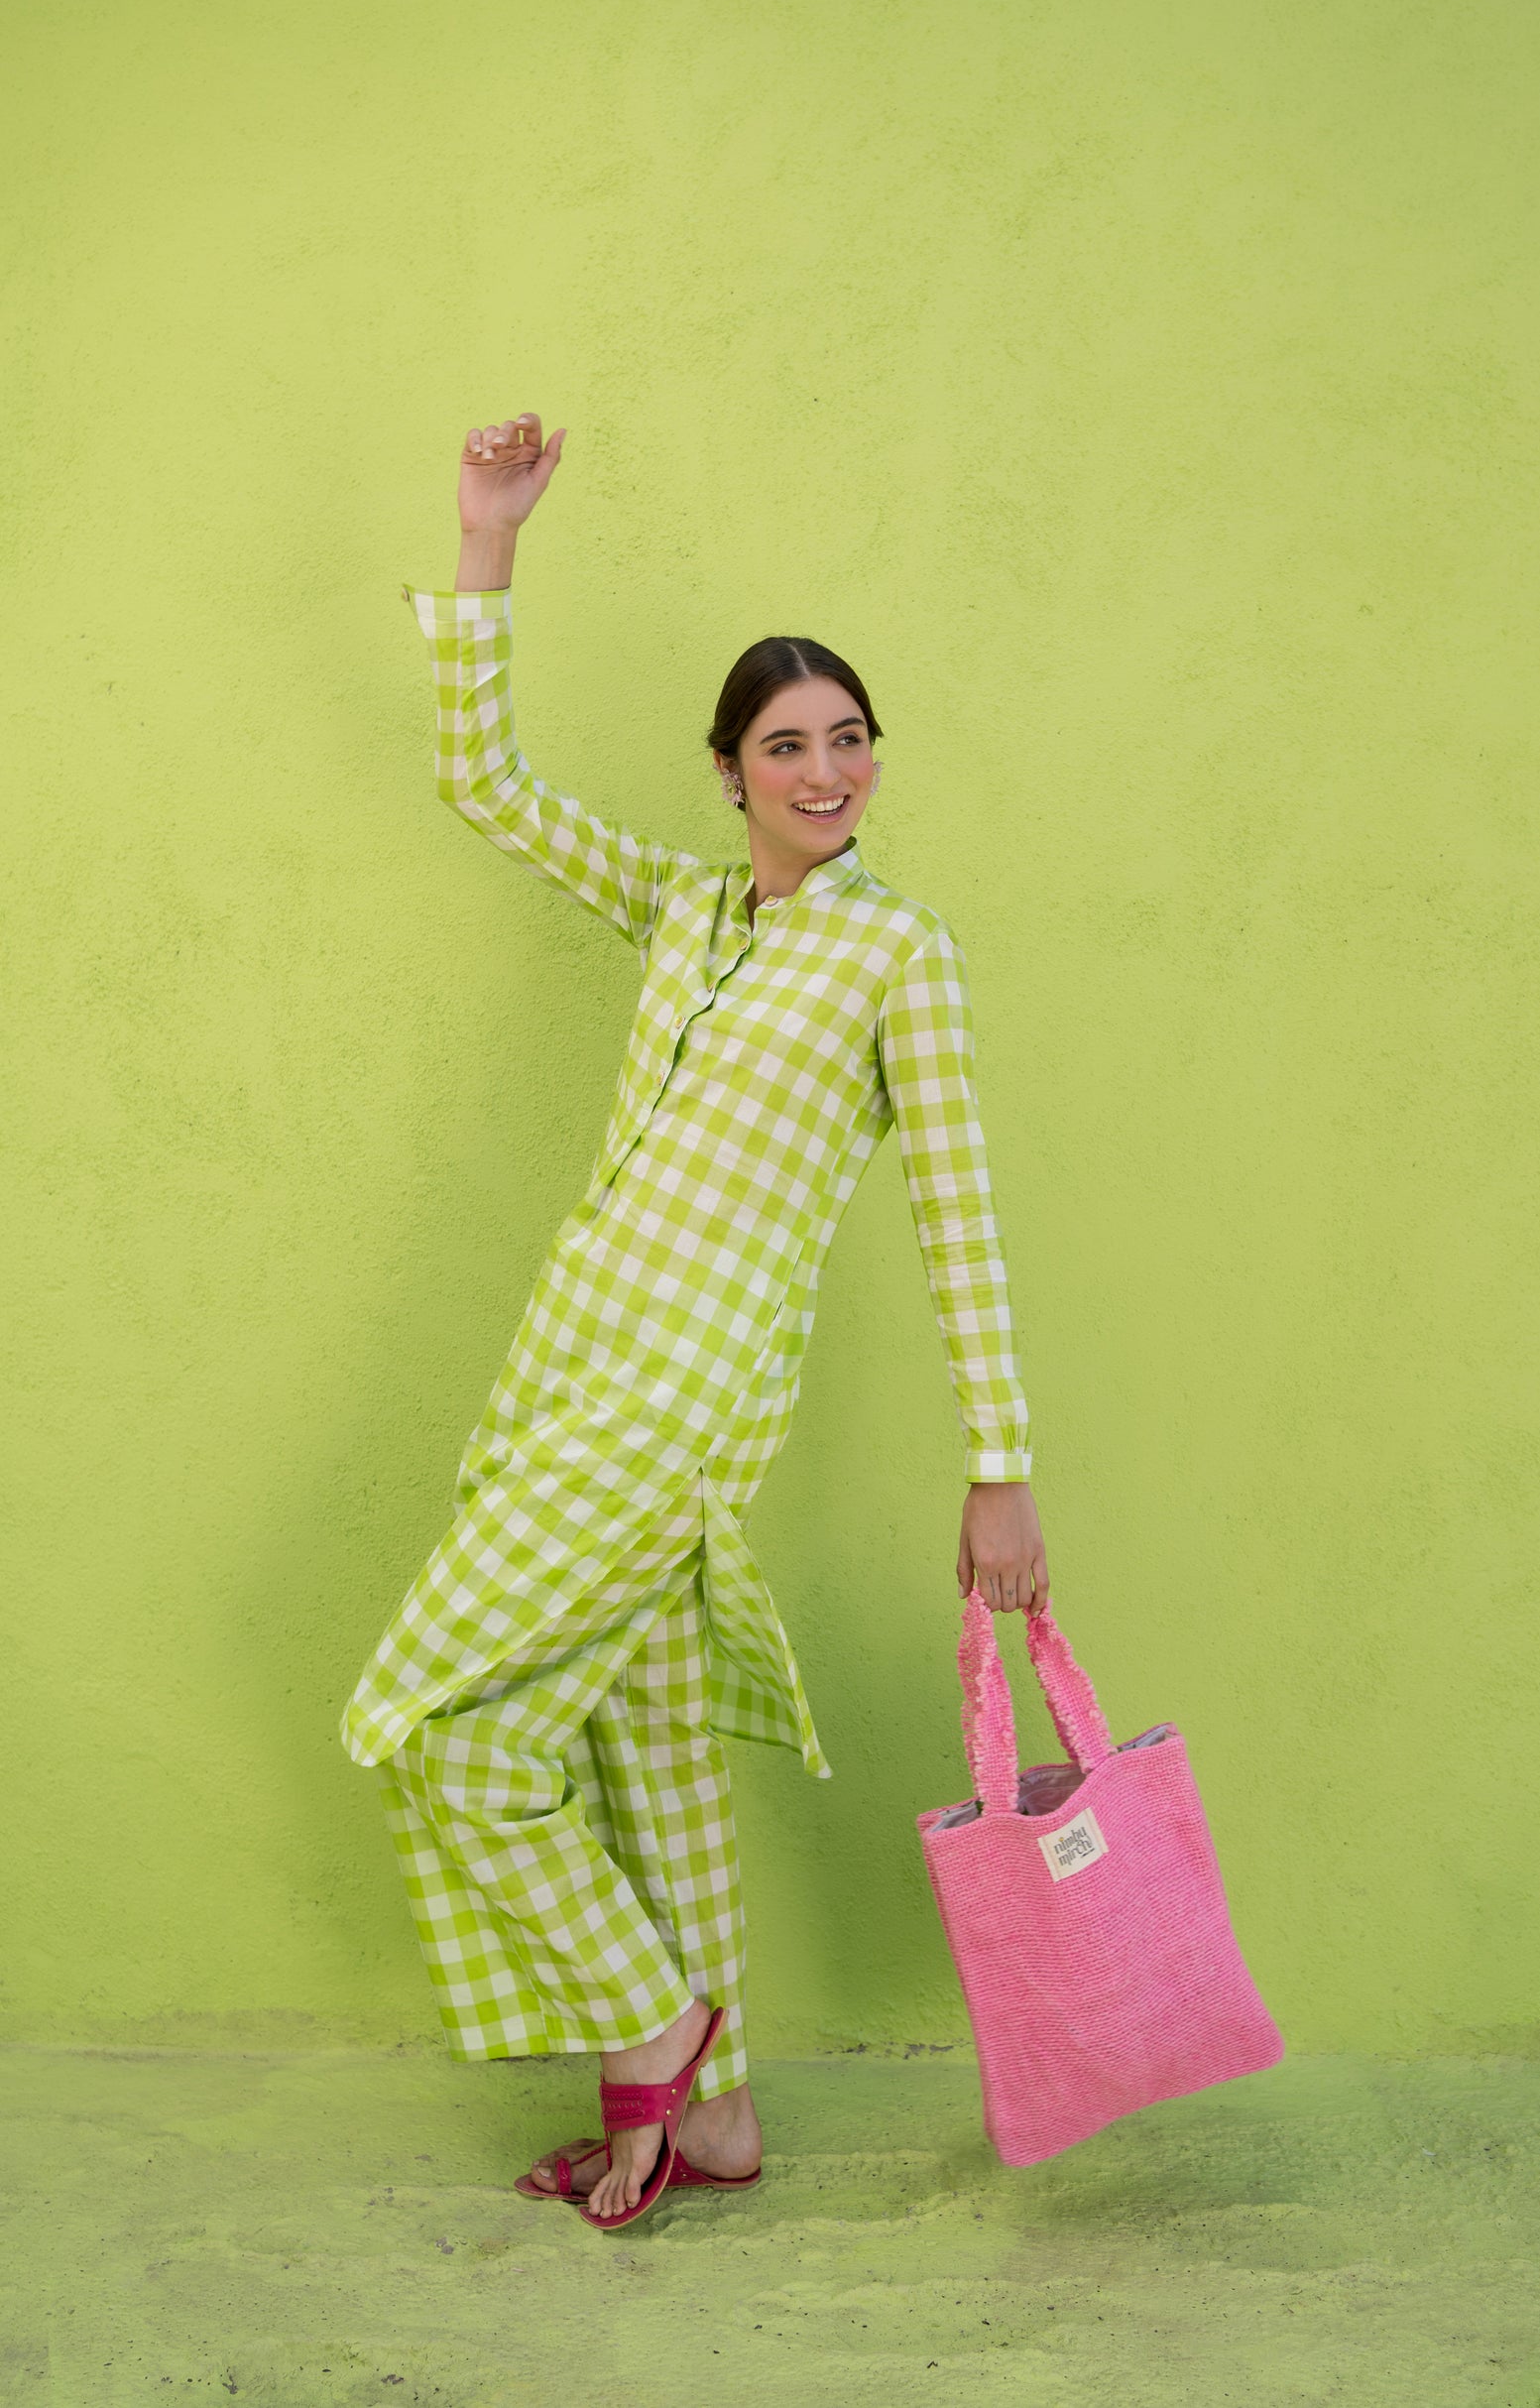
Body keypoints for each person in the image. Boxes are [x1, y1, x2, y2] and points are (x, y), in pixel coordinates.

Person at [340, 413, 1047, 2228]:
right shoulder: (680, 908)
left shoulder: (901, 954)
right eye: (790, 745)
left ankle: (658, 2024)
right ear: (729, 769)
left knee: (454, 1731)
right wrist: (490, 540)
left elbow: (955, 1220)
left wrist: (999, 1472)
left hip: (683, 1394)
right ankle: (718, 2114)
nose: (828, 771)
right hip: (565, 1356)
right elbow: (485, 788)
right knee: (643, 1736)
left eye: (850, 740)